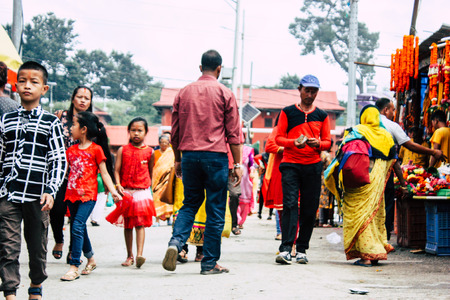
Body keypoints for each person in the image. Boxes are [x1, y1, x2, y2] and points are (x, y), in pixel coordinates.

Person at [162, 49, 242, 275]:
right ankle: (209, 263)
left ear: (200, 68)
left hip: (189, 156)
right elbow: (233, 133)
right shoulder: (225, 93)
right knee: (215, 209)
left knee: (190, 203)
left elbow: (175, 132)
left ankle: (176, 243)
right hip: (215, 157)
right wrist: (237, 164)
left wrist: (178, 160)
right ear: (219, 69)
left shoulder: (183, 93)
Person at [0, 61, 66, 300]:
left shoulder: (51, 123)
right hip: (8, 194)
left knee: (37, 246)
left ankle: (36, 284)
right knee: (8, 246)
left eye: (34, 82)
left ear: (44, 89)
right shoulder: (5, 120)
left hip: (38, 196)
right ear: (15, 85)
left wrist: (51, 190)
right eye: (23, 81)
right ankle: (10, 292)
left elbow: (58, 160)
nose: (27, 86)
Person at [324, 105, 396, 266]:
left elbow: (341, 153)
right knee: (373, 215)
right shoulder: (386, 136)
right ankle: (376, 251)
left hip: (357, 182)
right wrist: (403, 183)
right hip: (376, 184)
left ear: (363, 117)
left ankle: (366, 256)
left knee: (358, 214)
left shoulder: (356, 132)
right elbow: (393, 161)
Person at [274, 74, 331, 265]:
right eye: (307, 90)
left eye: (314, 91)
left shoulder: (322, 116)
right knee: (290, 205)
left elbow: (328, 142)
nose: (310, 94)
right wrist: (293, 143)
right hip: (290, 164)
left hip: (313, 166)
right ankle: (285, 248)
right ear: (299, 90)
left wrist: (318, 144)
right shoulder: (287, 112)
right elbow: (278, 139)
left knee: (309, 208)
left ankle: (302, 249)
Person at [61, 111, 121, 281]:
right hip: (71, 195)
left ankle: (74, 266)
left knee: (77, 226)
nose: (71, 128)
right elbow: (63, 173)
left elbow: (105, 173)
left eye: (73, 125)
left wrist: (114, 191)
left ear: (84, 129)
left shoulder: (96, 150)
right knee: (79, 226)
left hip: (88, 196)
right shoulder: (70, 150)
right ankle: (91, 259)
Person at [375, 98, 445, 240]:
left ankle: (370, 239)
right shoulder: (391, 126)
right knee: (386, 205)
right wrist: (433, 152)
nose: (394, 113)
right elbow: (409, 145)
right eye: (393, 110)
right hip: (384, 173)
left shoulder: (364, 126)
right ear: (385, 110)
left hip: (367, 173)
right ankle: (383, 239)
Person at [51, 86, 94, 261]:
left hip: (80, 175)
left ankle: (72, 248)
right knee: (57, 208)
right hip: (59, 171)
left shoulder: (91, 122)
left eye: (87, 98)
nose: (83, 100)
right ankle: (58, 240)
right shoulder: (59, 116)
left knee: (76, 215)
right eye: (80, 96)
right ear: (72, 98)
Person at [106, 117, 156, 268]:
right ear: (128, 131)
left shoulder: (150, 152)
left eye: (140, 130)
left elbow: (151, 172)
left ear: (146, 132)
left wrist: (151, 188)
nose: (136, 133)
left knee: (140, 224)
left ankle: (140, 254)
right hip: (126, 191)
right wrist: (118, 185)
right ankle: (129, 255)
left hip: (142, 192)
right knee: (128, 224)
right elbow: (116, 170)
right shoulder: (123, 150)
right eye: (133, 130)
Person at [151, 134, 174, 222]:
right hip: (157, 181)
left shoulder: (171, 153)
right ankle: (157, 220)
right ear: (159, 143)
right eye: (162, 142)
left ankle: (169, 218)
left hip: (168, 180)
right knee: (157, 199)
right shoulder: (155, 153)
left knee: (168, 197)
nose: (164, 144)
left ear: (169, 143)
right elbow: (152, 165)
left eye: (166, 142)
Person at [318, 149, 335, 227]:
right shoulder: (326, 155)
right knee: (324, 200)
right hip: (325, 179)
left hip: (316, 178)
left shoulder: (317, 153)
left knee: (318, 200)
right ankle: (323, 221)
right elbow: (330, 168)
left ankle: (317, 220)